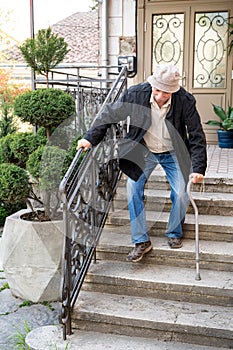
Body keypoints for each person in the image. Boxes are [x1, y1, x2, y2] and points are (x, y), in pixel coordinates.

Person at [77, 64, 207, 262]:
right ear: (152, 84)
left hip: (173, 151)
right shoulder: (135, 94)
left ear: (173, 91)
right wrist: (89, 138)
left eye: (165, 92)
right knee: (132, 188)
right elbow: (109, 114)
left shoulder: (185, 100)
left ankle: (174, 232)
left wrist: (198, 169)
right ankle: (141, 241)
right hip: (143, 149)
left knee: (181, 192)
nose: (159, 96)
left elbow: (197, 135)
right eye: (156, 90)